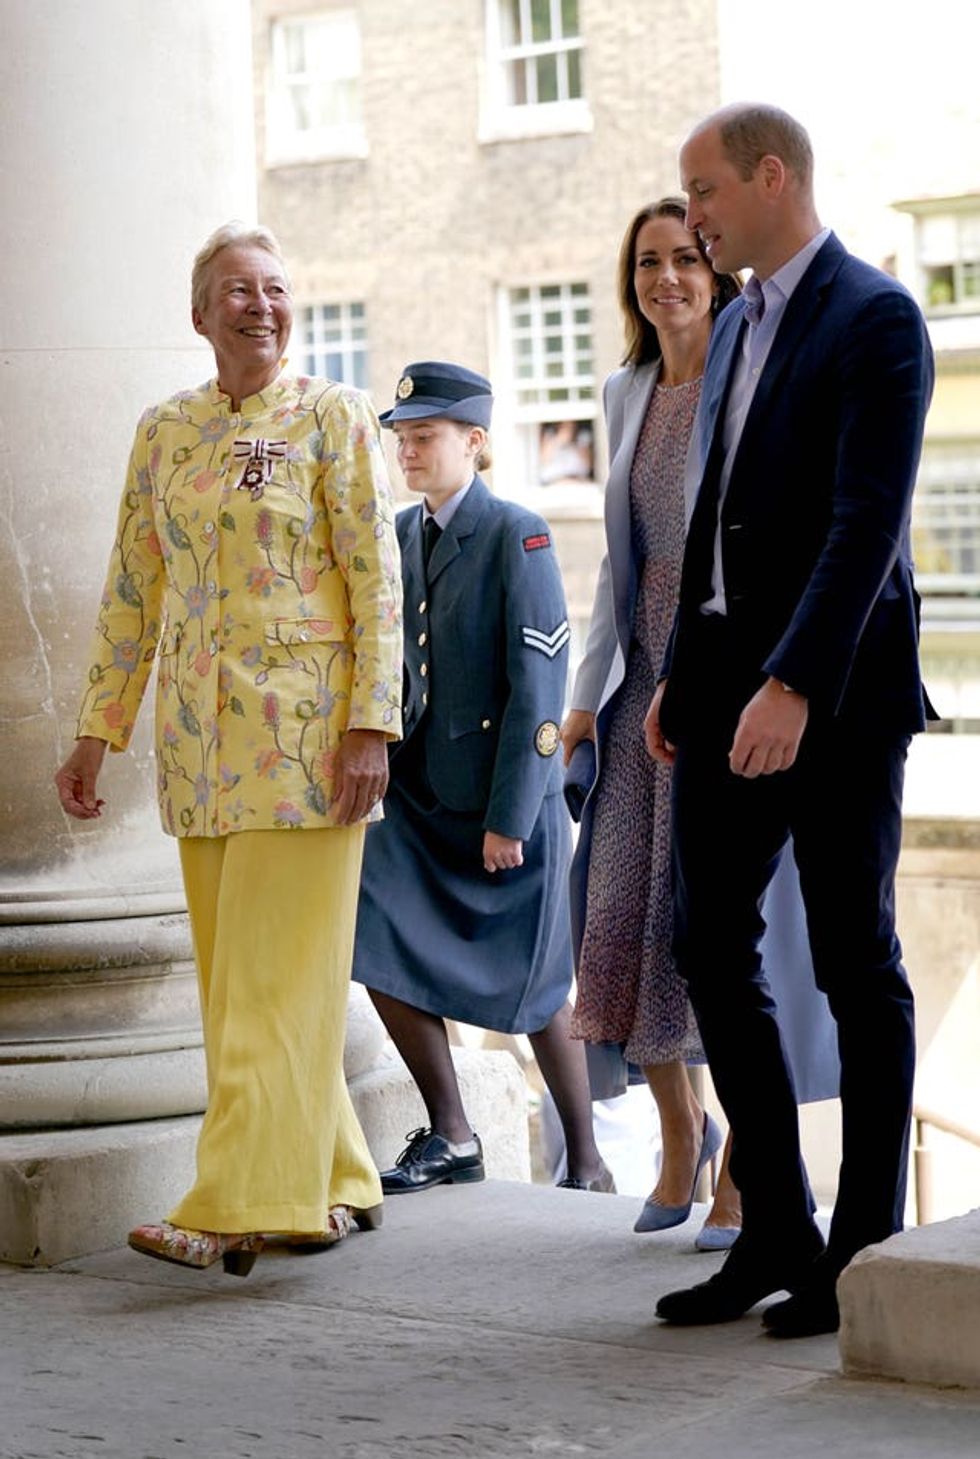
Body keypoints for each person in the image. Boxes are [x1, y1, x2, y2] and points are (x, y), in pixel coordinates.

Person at [54, 222, 403, 1276]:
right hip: (200, 756)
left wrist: (370, 725)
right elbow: (131, 586)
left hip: (306, 748)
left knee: (270, 984)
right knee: (245, 985)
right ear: (198, 314)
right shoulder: (164, 433)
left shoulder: (335, 418)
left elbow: (378, 580)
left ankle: (235, 1200)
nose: (259, 304)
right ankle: (333, 1171)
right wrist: (94, 731)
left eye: (275, 288)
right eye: (236, 291)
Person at [646, 104, 934, 1337]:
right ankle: (775, 1226)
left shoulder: (874, 317)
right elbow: (719, 518)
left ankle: (860, 1252)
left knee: (852, 960)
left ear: (770, 177)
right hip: (722, 687)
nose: (691, 215)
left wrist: (794, 683)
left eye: (702, 191)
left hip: (835, 693)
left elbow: (862, 524)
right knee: (709, 945)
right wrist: (678, 671)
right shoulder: (743, 318)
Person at [561, 197, 837, 1250]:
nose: (666, 276)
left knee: (719, 931)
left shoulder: (745, 373)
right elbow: (613, 566)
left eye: (684, 258)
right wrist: (585, 698)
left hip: (721, 685)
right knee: (623, 925)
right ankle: (680, 1135)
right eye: (646, 262)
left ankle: (745, 1168)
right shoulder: (622, 391)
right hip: (641, 692)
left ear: (714, 274)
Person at [351, 361, 613, 1195]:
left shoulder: (519, 534)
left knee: (539, 990)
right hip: (423, 800)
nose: (409, 452)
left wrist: (512, 816)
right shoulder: (400, 533)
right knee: (375, 941)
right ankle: (454, 1134)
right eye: (402, 438)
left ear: (475, 442)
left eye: (424, 437)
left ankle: (589, 1162)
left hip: (509, 805)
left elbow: (541, 690)